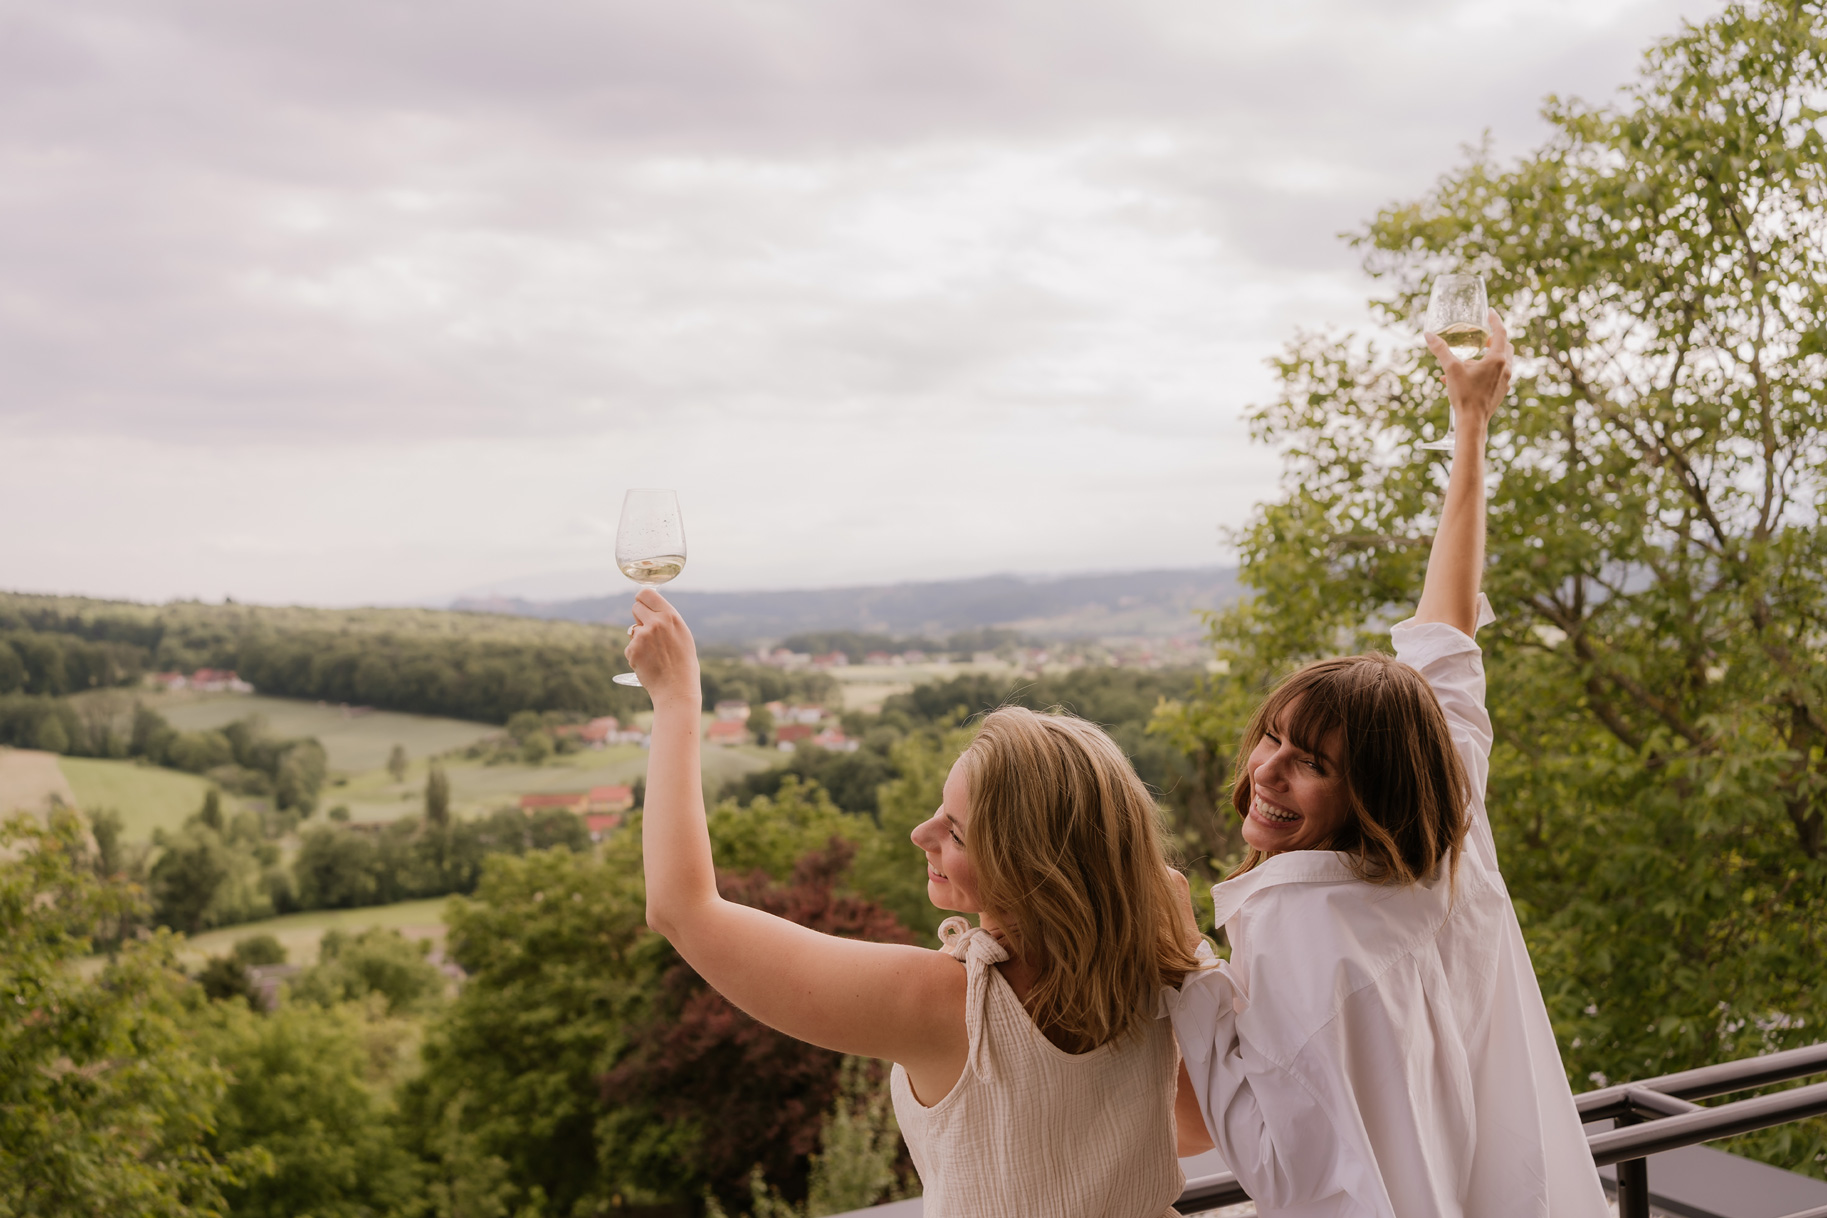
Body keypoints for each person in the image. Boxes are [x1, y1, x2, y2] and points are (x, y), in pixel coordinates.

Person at [1169, 310, 1610, 1218]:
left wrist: (1183, 966)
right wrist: (1470, 423)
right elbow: (1444, 634)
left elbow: (1279, 1166)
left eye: (1312, 764)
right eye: (1272, 738)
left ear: (1372, 789)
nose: (1267, 771)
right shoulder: (1453, 824)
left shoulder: (1300, 928)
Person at [626, 599, 1203, 1217]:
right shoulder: (1159, 964)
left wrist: (676, 698)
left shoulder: (944, 1004)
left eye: (956, 833)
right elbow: (1196, 1132)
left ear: (1031, 868)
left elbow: (682, 910)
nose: (919, 834)